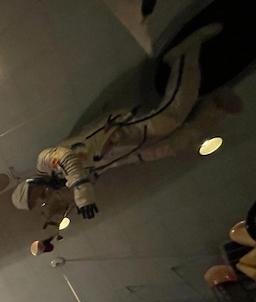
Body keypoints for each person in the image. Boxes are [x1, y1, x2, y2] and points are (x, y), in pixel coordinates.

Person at [12, 21, 228, 220]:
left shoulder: (44, 161)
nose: (39, 197)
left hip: (114, 133)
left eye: (33, 196)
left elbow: (67, 157)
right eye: (35, 202)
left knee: (168, 119)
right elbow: (88, 172)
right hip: (121, 153)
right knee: (170, 146)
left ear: (29, 186)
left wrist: (82, 195)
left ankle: (183, 57)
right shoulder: (59, 180)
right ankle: (214, 108)